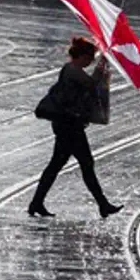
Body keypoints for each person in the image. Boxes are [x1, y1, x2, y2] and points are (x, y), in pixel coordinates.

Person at [28, 37, 124, 219]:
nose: (91, 61)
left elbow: (90, 84)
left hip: (68, 124)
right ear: (81, 56)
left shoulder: (73, 69)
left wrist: (101, 65)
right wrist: (102, 64)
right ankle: (103, 204)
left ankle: (37, 203)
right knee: (85, 163)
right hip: (69, 125)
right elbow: (92, 84)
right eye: (90, 57)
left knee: (59, 164)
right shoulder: (72, 70)